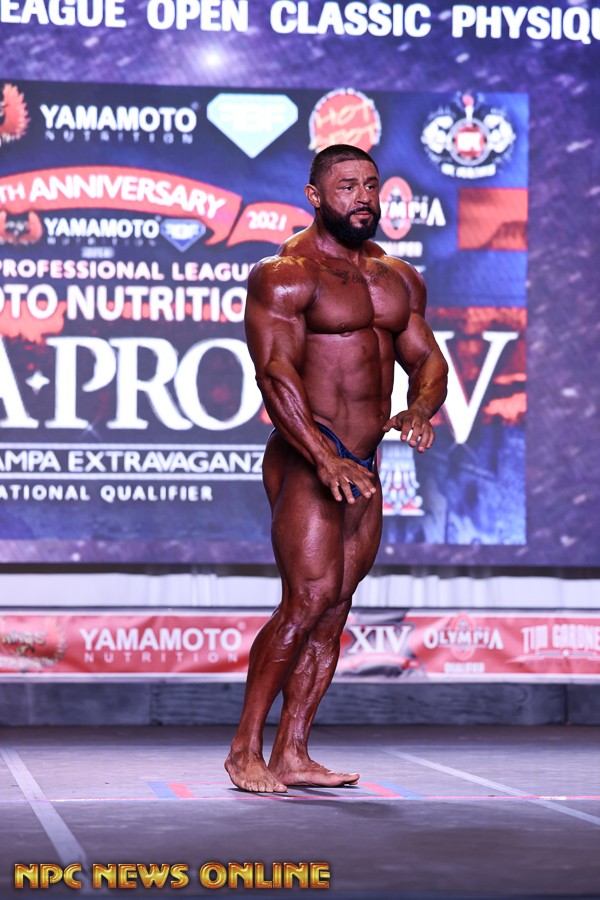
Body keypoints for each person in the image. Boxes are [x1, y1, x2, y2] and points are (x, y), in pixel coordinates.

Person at [225, 143, 448, 793]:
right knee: (306, 601)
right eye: (347, 186)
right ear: (316, 196)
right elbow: (275, 374)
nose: (363, 197)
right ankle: (244, 751)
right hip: (307, 451)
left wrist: (420, 409)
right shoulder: (286, 274)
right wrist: (322, 458)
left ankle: (293, 752)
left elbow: (428, 360)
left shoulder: (396, 278)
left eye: (371, 185)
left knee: (336, 607)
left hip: (364, 459)